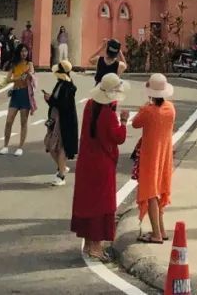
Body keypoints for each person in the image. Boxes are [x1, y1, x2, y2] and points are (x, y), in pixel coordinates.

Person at [71, 73, 128, 260]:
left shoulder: (90, 106)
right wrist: (125, 122)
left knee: (88, 201)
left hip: (87, 161)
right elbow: (118, 137)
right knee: (101, 204)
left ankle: (88, 243)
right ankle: (96, 246)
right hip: (102, 164)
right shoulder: (109, 115)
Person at [131, 73, 175, 244]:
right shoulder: (170, 108)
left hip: (151, 156)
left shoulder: (148, 111)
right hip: (165, 155)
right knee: (159, 191)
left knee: (150, 193)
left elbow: (135, 123)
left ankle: (156, 234)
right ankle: (161, 230)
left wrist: (144, 107)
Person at [44, 60, 79, 185]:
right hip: (55, 118)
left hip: (65, 121)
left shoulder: (68, 87)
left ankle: (61, 175)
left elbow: (63, 105)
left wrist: (51, 100)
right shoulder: (60, 84)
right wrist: (50, 100)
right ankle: (62, 167)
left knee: (61, 146)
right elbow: (56, 102)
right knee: (50, 144)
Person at [0, 44, 36, 156]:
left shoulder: (29, 64)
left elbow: (33, 76)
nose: (24, 53)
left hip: (25, 94)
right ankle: (5, 145)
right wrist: (18, 78)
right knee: (9, 120)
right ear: (18, 52)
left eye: (25, 51)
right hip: (16, 93)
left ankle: (20, 147)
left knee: (23, 122)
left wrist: (29, 75)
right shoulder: (14, 64)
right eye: (22, 51)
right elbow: (7, 79)